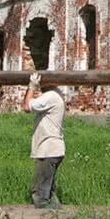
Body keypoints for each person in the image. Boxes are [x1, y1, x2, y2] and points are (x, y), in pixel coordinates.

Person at [24, 72, 65, 209]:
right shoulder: (56, 95)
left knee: (41, 195)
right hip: (54, 149)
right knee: (49, 191)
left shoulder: (51, 96)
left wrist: (31, 86)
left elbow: (27, 107)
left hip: (48, 149)